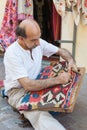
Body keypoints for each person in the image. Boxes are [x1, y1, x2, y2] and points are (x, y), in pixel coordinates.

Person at [4, 19, 77, 130]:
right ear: (21, 39)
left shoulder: (38, 42)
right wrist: (58, 80)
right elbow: (28, 85)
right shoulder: (12, 53)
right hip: (18, 91)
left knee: (68, 78)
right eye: (34, 40)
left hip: (37, 80)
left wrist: (71, 60)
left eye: (38, 38)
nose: (38, 43)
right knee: (37, 114)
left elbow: (61, 51)